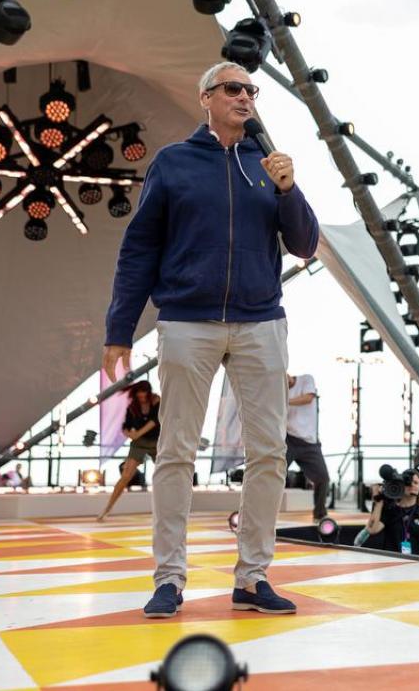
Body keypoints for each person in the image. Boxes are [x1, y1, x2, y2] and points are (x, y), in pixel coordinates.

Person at [104, 61, 319, 619]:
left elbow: (304, 244)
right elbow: (139, 249)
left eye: (251, 90)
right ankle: (169, 579)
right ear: (206, 97)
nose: (245, 97)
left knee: (269, 451)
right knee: (175, 451)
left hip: (261, 322)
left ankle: (252, 577)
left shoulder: (268, 165)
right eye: (232, 88)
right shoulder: (174, 162)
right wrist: (119, 330)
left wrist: (289, 190)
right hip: (186, 321)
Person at [97, 381, 160, 522]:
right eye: (139, 394)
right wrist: (129, 434)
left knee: (164, 474)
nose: (142, 397)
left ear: (148, 392)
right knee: (126, 475)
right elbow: (126, 425)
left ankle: (167, 508)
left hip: (157, 442)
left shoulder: (156, 401)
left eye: (144, 394)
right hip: (139, 444)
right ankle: (107, 509)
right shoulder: (132, 407)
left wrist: (138, 434)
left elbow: (154, 421)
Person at [359, 469, 419, 558]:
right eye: (408, 482)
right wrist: (378, 502)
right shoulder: (390, 509)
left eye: (416, 483)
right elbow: (372, 529)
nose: (412, 485)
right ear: (400, 484)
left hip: (418, 564)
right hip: (392, 563)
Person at [285, 373, 330, 522]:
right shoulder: (279, 391)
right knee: (274, 475)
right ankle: (262, 513)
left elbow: (308, 398)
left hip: (310, 443)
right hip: (289, 440)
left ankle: (319, 515)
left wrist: (284, 401)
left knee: (322, 478)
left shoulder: (306, 379)